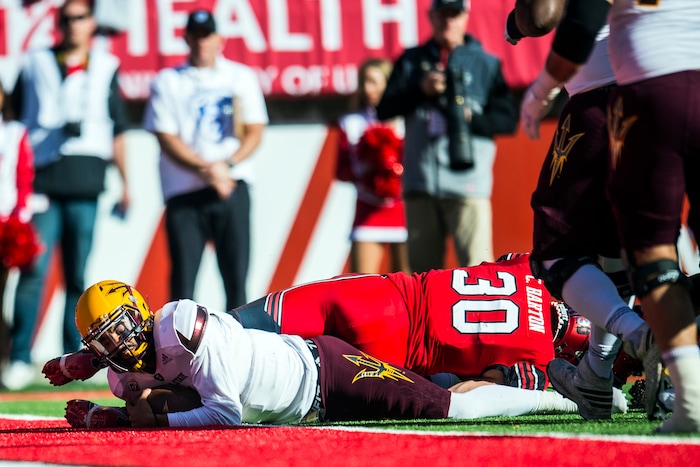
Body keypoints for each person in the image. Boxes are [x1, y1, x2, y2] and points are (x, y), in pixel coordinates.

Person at [41, 280, 578, 428]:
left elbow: (223, 412)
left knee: (449, 407)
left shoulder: (180, 324)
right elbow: (174, 394)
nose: (115, 344)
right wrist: (118, 408)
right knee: (149, 404)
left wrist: (136, 421)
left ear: (143, 310)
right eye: (101, 341)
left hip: (325, 371)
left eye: (119, 328)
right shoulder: (119, 376)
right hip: (308, 399)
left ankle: (562, 402)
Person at [523, 0, 700, 434]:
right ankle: (598, 371)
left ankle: (648, 345)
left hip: (636, 92)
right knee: (616, 247)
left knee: (585, 252)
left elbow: (564, 16)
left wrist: (542, 86)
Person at [4, 0, 129, 390]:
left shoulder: (107, 65)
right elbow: (15, 120)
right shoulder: (35, 60)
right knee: (34, 271)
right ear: (58, 23)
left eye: (81, 18)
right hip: (41, 181)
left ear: (92, 23)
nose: (74, 25)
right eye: (68, 18)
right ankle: (19, 357)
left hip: (86, 180)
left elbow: (118, 128)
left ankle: (69, 358)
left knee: (77, 274)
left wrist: (128, 183)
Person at [232, 252, 555, 389]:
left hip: (379, 298)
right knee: (260, 380)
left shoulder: (529, 265)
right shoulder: (542, 362)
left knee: (231, 327)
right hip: (392, 364)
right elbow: (473, 391)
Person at [376, 0, 517, 272]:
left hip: (469, 186)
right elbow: (384, 109)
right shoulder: (411, 61)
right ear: (431, 17)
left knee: (478, 272)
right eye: (442, 15)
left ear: (465, 17)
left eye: (454, 14)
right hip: (421, 185)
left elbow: (508, 120)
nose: (448, 21)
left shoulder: (486, 64)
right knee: (422, 278)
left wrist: (470, 118)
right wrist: (420, 89)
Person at [143, 9, 268, 310]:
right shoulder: (168, 81)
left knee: (236, 278)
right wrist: (208, 169)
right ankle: (177, 350)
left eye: (207, 35)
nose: (202, 42)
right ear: (186, 38)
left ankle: (240, 348)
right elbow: (166, 136)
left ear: (219, 39)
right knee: (183, 283)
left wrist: (227, 165)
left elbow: (254, 130)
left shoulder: (240, 77)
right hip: (185, 191)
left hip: (231, 185)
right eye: (196, 36)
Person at [336, 58, 410, 274]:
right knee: (361, 285)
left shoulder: (407, 120)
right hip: (368, 209)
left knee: (409, 287)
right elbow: (341, 172)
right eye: (364, 82)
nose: (369, 89)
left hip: (405, 209)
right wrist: (365, 168)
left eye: (375, 82)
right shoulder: (351, 123)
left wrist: (397, 169)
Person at [0, 79, 36, 377]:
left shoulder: (14, 133)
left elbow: (24, 176)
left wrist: (19, 219)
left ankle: (9, 358)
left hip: (6, 225)